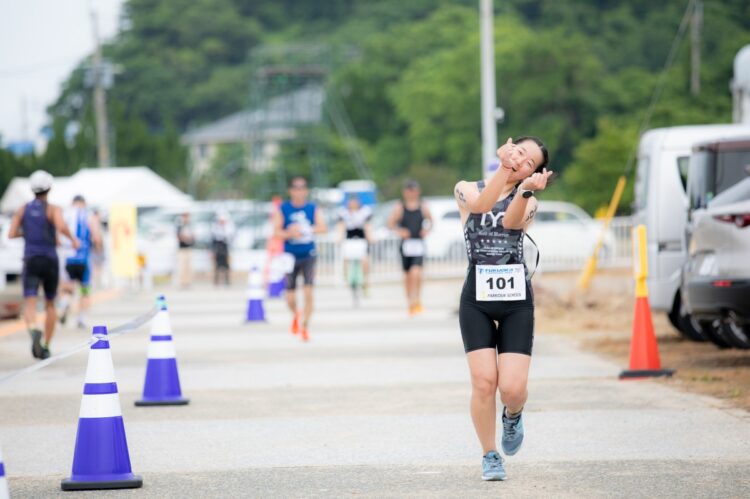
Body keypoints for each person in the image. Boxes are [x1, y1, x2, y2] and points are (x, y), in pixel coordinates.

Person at [453, 136, 552, 481]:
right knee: (483, 383)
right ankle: (490, 454)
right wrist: (503, 170)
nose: (521, 159)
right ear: (508, 149)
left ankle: (514, 413)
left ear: (534, 173)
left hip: (515, 301)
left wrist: (523, 190)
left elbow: (510, 223)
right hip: (476, 299)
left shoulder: (530, 201)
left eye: (529, 161)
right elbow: (481, 206)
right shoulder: (466, 188)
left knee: (511, 388)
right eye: (519, 151)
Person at [8, 170, 79, 359]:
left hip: (30, 259)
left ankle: (33, 331)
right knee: (50, 303)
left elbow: (11, 233)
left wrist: (27, 233)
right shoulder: (53, 209)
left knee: (30, 302)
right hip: (49, 259)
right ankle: (46, 345)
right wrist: (73, 240)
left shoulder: (23, 209)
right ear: (49, 188)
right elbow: (61, 226)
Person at [272, 176, 327, 341]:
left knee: (309, 292)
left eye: (302, 187)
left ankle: (305, 326)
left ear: (306, 190)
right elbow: (276, 232)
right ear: (291, 190)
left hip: (308, 254)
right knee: (290, 296)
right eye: (296, 187)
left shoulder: (312, 208)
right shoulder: (284, 209)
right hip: (289, 256)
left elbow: (323, 227)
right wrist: (290, 233)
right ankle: (296, 313)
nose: (299, 191)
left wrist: (306, 229)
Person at [387, 180, 432, 315]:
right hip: (406, 245)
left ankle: (417, 299)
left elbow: (431, 221)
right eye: (409, 190)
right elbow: (390, 224)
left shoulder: (423, 206)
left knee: (416, 272)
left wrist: (426, 230)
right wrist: (400, 232)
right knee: (407, 275)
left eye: (413, 190)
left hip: (418, 243)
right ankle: (410, 302)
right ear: (405, 192)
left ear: (418, 191)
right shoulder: (400, 208)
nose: (411, 193)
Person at [58, 195, 103, 329]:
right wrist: (98, 249)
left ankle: (65, 302)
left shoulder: (65, 215)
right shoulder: (89, 216)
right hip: (84, 258)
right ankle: (81, 318)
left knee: (67, 288)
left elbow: (57, 235)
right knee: (85, 290)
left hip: (68, 257)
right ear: (84, 203)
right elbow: (96, 238)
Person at [336, 195, 373, 294]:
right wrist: (339, 238)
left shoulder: (364, 211)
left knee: (365, 260)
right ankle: (346, 278)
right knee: (345, 259)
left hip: (361, 238)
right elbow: (341, 226)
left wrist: (370, 237)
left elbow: (367, 225)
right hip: (349, 238)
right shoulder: (344, 212)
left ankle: (366, 282)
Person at [211, 212, 234, 286]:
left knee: (226, 265)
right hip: (218, 247)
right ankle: (216, 280)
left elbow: (229, 237)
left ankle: (227, 280)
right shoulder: (216, 227)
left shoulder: (229, 227)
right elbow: (215, 238)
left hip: (225, 247)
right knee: (217, 265)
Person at [176, 212, 194, 288]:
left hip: (189, 248)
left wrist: (190, 239)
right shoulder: (180, 226)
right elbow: (178, 236)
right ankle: (182, 282)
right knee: (182, 266)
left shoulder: (190, 226)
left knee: (188, 267)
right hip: (182, 249)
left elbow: (193, 236)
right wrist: (185, 238)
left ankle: (188, 282)